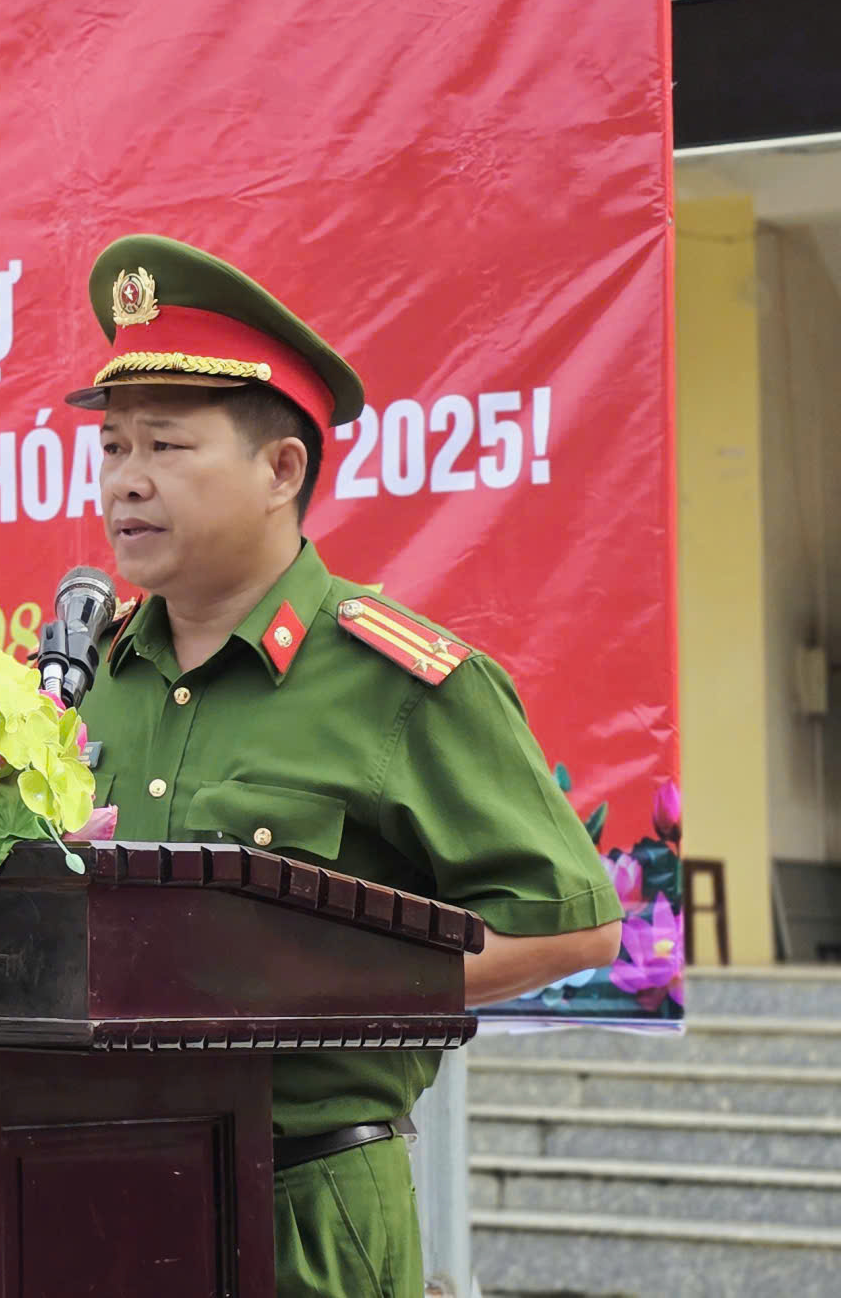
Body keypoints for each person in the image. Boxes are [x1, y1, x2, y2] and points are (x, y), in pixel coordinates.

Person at [67, 235, 623, 1298]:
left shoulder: (397, 682)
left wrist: (305, 989)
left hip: (303, 1210)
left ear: (281, 470)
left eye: (166, 446)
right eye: (112, 446)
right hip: (88, 1197)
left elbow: (572, 925)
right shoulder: (84, 681)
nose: (125, 480)